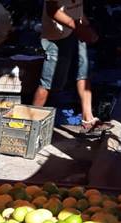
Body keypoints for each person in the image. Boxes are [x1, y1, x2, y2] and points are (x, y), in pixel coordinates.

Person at [32, 0, 104, 132]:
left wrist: (85, 25)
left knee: (83, 74)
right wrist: (79, 28)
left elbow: (76, 8)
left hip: (75, 31)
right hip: (57, 37)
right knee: (48, 83)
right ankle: (31, 122)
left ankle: (88, 118)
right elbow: (52, 10)